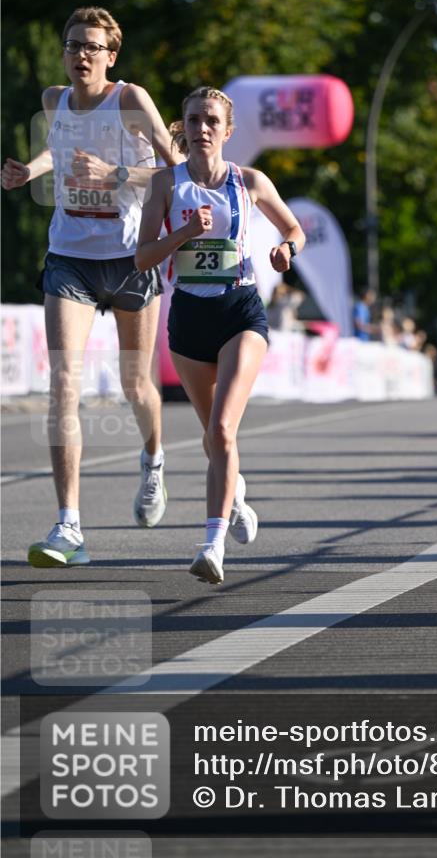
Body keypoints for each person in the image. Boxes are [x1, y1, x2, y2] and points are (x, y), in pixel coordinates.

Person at [1, 6, 180, 567]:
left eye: (92, 47)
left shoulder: (130, 100)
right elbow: (60, 145)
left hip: (130, 256)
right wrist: (30, 171)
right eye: (73, 44)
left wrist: (117, 175)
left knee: (134, 383)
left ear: (111, 55)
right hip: (70, 257)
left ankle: (153, 460)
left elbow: (177, 167)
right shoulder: (55, 100)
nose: (81, 54)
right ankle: (68, 527)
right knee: (64, 384)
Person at [135, 86, 305, 585]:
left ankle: (211, 545)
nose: (202, 129)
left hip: (239, 313)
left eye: (211, 121)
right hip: (187, 316)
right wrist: (183, 234)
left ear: (227, 131)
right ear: (183, 128)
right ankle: (237, 492)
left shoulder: (248, 181)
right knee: (213, 438)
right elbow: (143, 257)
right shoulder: (166, 184)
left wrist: (286, 252)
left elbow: (294, 229)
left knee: (223, 431)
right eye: (193, 120)